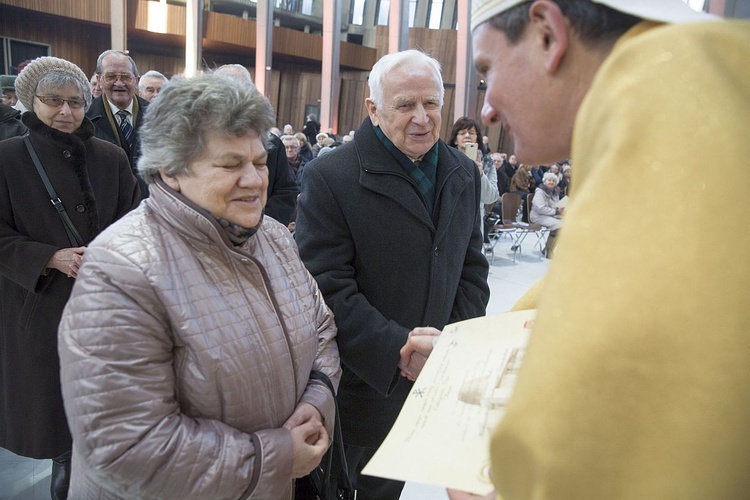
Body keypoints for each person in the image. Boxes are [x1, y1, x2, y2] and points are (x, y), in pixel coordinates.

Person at [468, 0, 750, 498]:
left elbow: (598, 446)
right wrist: (465, 350)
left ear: (547, 35)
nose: (486, 108)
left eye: (487, 71)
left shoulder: (664, 95)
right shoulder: (694, 78)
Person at [57, 73, 340, 499]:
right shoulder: (121, 270)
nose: (254, 180)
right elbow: (124, 447)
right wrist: (275, 456)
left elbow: (322, 330)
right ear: (170, 170)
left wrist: (315, 405)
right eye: (230, 165)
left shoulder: (275, 238)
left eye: (260, 162)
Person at [295, 49, 490, 499]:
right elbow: (324, 286)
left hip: (428, 386)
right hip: (359, 389)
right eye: (405, 105)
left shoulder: (462, 171)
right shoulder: (331, 176)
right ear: (373, 109)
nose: (422, 118)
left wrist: (447, 347)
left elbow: (472, 270)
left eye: (432, 103)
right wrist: (398, 348)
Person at [0, 56, 141, 500]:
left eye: (76, 103)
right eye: (53, 102)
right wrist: (49, 257)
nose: (66, 112)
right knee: (60, 422)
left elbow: (136, 222)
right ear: (31, 102)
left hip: (106, 307)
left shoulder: (111, 156)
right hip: (40, 306)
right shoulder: (7, 157)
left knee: (102, 415)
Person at [213, 64, 299, 225]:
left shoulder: (272, 143)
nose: (252, 180)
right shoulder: (196, 142)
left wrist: (257, 224)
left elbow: (286, 191)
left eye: (259, 164)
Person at [86, 50, 150, 196]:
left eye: (126, 77)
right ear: (99, 80)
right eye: (110, 76)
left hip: (148, 204)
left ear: (137, 81)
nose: (119, 83)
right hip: (106, 206)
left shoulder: (156, 114)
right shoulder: (85, 118)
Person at [530, 171, 563, 257]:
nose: (551, 182)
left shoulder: (555, 192)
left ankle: (549, 248)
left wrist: (560, 209)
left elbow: (555, 205)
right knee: (559, 225)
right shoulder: (540, 192)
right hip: (537, 216)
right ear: (544, 181)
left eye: (553, 181)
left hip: (549, 215)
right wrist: (555, 211)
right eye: (549, 180)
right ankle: (549, 251)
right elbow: (539, 208)